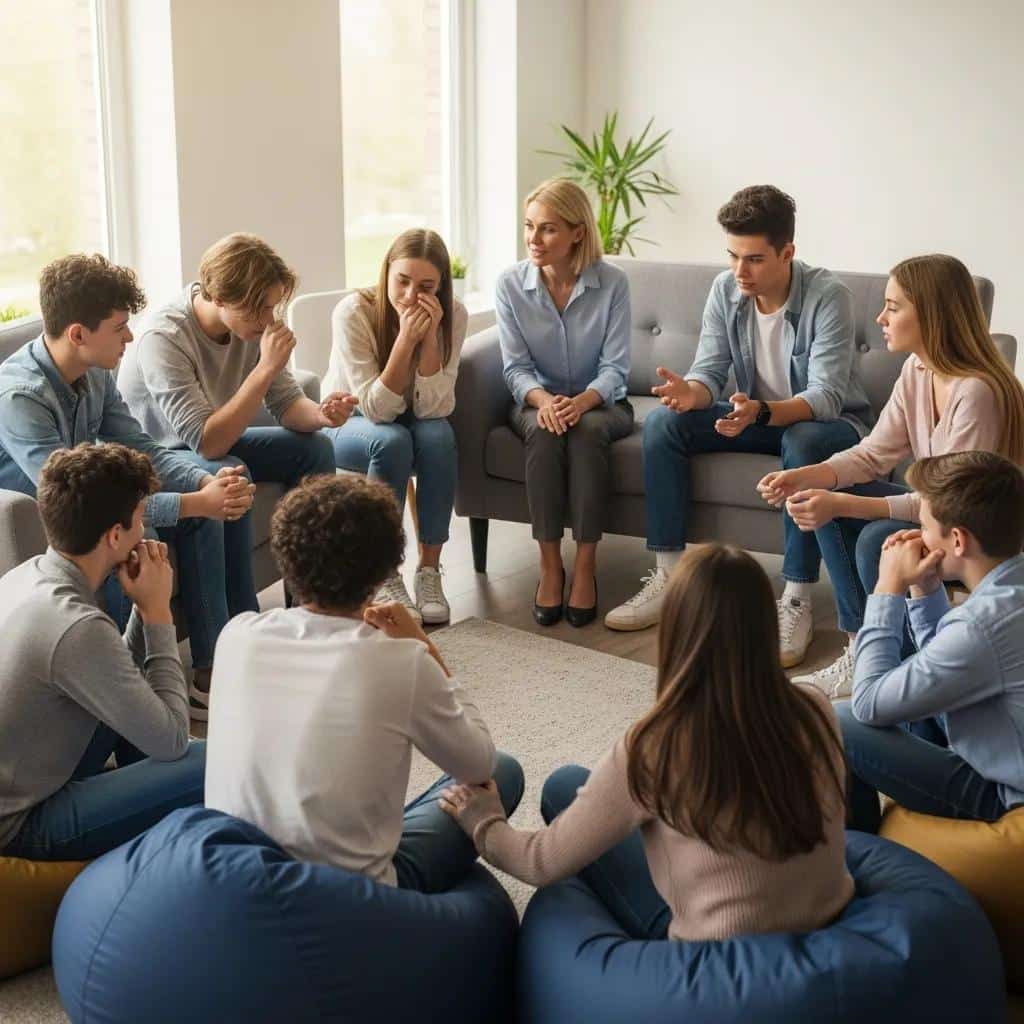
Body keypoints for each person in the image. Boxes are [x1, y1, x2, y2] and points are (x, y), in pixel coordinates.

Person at [442, 544, 853, 941]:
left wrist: (485, 822)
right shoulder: (815, 705)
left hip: (717, 963)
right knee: (565, 786)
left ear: (674, 630)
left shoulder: (657, 746)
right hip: (828, 926)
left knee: (558, 895)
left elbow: (540, 862)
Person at [204, 473, 524, 893]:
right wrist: (424, 645)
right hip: (356, 904)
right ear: (383, 573)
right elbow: (478, 764)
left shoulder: (236, 634)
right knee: (502, 774)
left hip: (236, 885)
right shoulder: (400, 661)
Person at [605, 185, 872, 666]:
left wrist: (763, 412)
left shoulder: (828, 297)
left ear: (787, 252)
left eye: (753, 260)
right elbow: (709, 369)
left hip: (826, 424)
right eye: (732, 256)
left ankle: (795, 598)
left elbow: (826, 397)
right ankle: (668, 575)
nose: (738, 272)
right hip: (753, 414)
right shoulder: (726, 290)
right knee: (666, 423)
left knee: (804, 439)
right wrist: (693, 393)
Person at [0, 254, 256, 720]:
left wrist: (204, 480)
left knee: (203, 512)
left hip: (88, 496)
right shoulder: (21, 397)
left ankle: (210, 668)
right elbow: (74, 499)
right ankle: (123, 691)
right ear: (78, 334)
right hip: (42, 514)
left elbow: (143, 450)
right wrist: (195, 502)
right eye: (119, 327)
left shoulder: (95, 373)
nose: (130, 336)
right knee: (140, 540)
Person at [759, 254, 1024, 697]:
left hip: (976, 535)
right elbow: (873, 454)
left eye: (893, 306)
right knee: (827, 495)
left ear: (932, 314)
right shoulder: (917, 370)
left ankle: (890, 665)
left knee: (876, 539)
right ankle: (861, 651)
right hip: (943, 514)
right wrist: (812, 475)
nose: (880, 317)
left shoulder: (975, 392)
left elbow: (947, 502)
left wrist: (840, 501)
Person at [0, 445, 206, 861]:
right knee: (208, 758)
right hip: (21, 824)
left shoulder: (29, 574)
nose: (144, 532)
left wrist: (140, 608)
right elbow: (172, 740)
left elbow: (114, 673)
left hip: (24, 770)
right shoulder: (75, 624)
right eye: (142, 520)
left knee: (143, 722)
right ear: (115, 535)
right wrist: (157, 613)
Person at [836, 452, 1024, 833]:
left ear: (957, 540)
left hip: (1004, 794)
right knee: (910, 696)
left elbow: (868, 704)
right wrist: (925, 587)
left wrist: (886, 590)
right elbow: (945, 659)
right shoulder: (1006, 594)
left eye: (924, 526)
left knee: (837, 721)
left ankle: (863, 851)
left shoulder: (981, 626)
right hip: (1001, 748)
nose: (918, 536)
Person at [496, 178, 633, 627]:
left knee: (588, 432)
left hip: (602, 402)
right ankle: (551, 566)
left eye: (548, 229)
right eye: (529, 226)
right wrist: (544, 401)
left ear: (577, 232)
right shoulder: (510, 285)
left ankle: (586, 567)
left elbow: (616, 368)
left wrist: (584, 400)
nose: (534, 239)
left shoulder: (612, 283)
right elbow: (515, 368)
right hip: (537, 402)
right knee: (543, 431)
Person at [322, 229, 467, 623]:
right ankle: (383, 570)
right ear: (386, 272)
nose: (409, 296)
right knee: (392, 440)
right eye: (401, 281)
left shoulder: (454, 315)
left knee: (438, 436)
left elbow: (434, 409)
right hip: (347, 422)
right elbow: (375, 410)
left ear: (441, 288)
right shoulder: (353, 312)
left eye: (425, 286)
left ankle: (429, 570)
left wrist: (432, 340)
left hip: (410, 420)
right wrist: (405, 340)